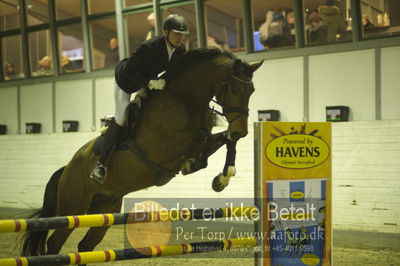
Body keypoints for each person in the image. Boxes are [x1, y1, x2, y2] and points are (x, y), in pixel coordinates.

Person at [90, 14, 190, 183]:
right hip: (126, 80)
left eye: (183, 34)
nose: (180, 38)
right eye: (176, 34)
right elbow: (129, 70)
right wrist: (149, 83)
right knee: (121, 117)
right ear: (166, 32)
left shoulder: (180, 50)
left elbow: (173, 72)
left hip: (148, 79)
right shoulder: (149, 47)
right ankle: (101, 165)